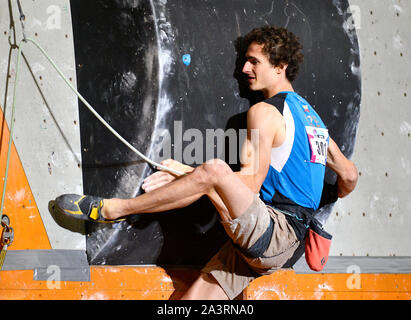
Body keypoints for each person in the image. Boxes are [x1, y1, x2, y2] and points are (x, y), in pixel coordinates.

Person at [54, 26, 358, 300]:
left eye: (254, 61)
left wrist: (190, 174)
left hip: (271, 233)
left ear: (280, 66)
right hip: (287, 246)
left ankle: (114, 210)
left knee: (213, 171)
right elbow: (349, 175)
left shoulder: (265, 112)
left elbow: (249, 183)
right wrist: (321, 194)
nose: (243, 68)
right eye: (245, 60)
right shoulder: (313, 121)